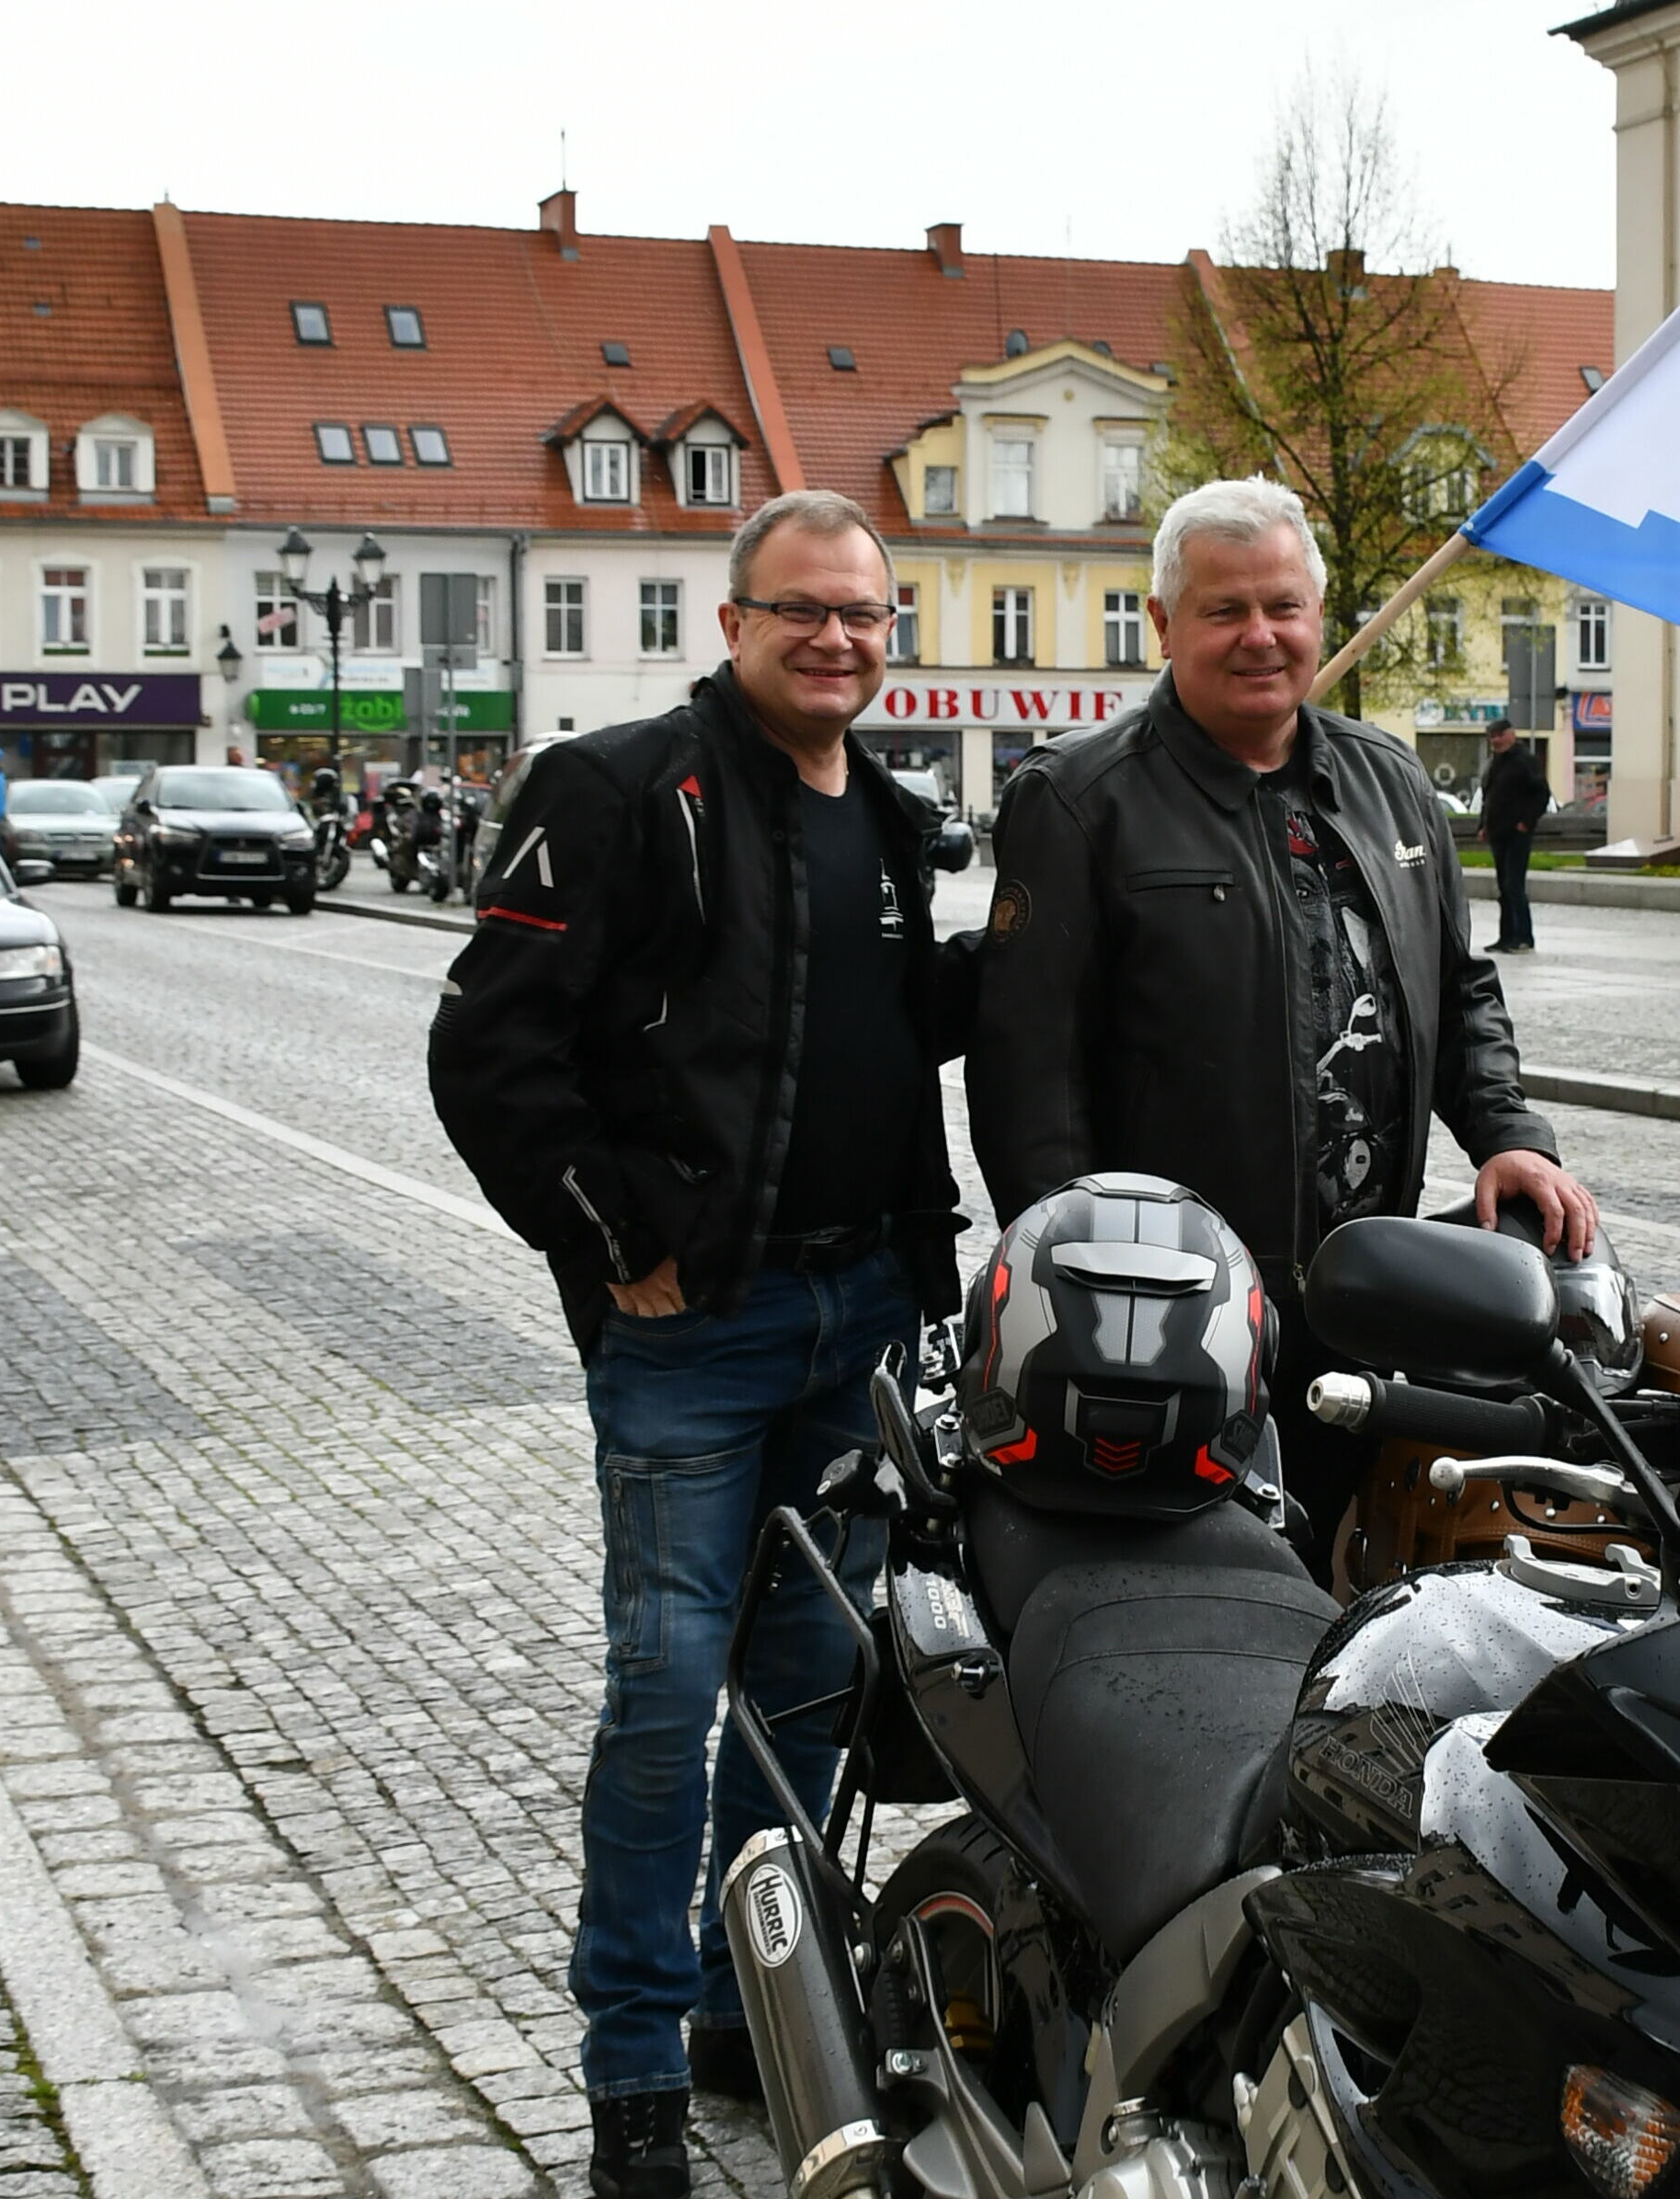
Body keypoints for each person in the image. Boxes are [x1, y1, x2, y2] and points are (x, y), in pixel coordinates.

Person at [429, 490, 967, 2199]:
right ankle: (633, 2069)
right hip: (697, 1332)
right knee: (665, 1698)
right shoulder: (616, 789)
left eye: (866, 615)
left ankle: (767, 2005)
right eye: (801, 610)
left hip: (860, 1314)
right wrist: (616, 1242)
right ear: (729, 624)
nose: (836, 639)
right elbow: (488, 1050)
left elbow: (881, 1032)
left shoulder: (888, 818)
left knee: (804, 1700)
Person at [970, 475, 1596, 1552]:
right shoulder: (1079, 798)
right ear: (1164, 623)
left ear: (1319, 616)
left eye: (1284, 607)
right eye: (1225, 610)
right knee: (1185, 1589)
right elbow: (1030, 1071)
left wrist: (1509, 1137)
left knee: (1347, 1568)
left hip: (1363, 1295)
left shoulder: (1389, 782)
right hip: (1174, 1308)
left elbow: (1457, 989)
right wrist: (1075, 1293)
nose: (1260, 635)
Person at [1479, 717, 1550, 954]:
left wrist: (1526, 823)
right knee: (1503, 886)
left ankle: (1523, 936)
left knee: (1514, 885)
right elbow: (1488, 797)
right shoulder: (1495, 763)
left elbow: (1541, 794)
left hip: (1517, 832)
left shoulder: (1525, 761)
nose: (1496, 740)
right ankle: (1506, 936)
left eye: (1500, 735)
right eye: (1492, 736)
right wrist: (1484, 825)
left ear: (1512, 734)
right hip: (1498, 831)